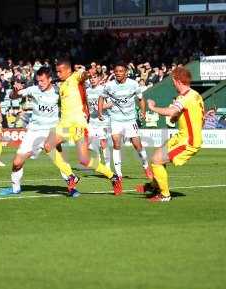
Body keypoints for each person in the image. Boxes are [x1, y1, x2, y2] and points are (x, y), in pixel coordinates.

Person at [0, 66, 80, 197]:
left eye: (42, 81)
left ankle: (72, 188)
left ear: (50, 79)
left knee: (61, 162)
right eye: (38, 81)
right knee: (17, 162)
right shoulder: (33, 89)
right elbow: (13, 96)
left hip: (52, 131)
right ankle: (15, 189)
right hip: (33, 132)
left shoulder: (58, 92)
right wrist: (14, 90)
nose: (40, 84)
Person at [44, 59, 122, 196]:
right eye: (56, 71)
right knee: (47, 146)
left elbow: (83, 75)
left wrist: (87, 72)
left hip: (78, 124)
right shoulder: (62, 85)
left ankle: (113, 177)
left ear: (68, 70)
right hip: (64, 124)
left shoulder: (75, 76)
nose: (58, 73)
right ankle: (71, 176)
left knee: (84, 160)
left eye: (60, 71)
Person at [136, 67, 204, 202]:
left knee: (156, 161)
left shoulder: (185, 98)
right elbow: (195, 117)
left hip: (188, 141)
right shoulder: (195, 95)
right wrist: (176, 117)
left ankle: (165, 195)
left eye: (173, 81)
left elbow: (171, 111)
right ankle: (155, 186)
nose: (172, 84)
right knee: (157, 156)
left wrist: (152, 107)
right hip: (182, 137)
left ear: (177, 80)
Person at [98, 63, 153, 183]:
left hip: (130, 120)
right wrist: (100, 112)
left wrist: (143, 112)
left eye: (121, 71)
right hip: (115, 119)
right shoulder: (109, 85)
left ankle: (146, 166)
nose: (118, 73)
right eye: (116, 71)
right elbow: (101, 97)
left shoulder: (133, 84)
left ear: (126, 73)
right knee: (116, 144)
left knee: (137, 145)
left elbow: (140, 98)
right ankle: (119, 175)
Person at [86, 69, 112, 169]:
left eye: (94, 77)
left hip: (103, 120)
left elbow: (111, 103)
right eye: (90, 78)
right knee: (88, 142)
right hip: (92, 121)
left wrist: (101, 107)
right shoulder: (87, 90)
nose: (92, 80)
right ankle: (99, 160)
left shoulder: (104, 89)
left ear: (99, 78)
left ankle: (108, 167)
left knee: (103, 142)